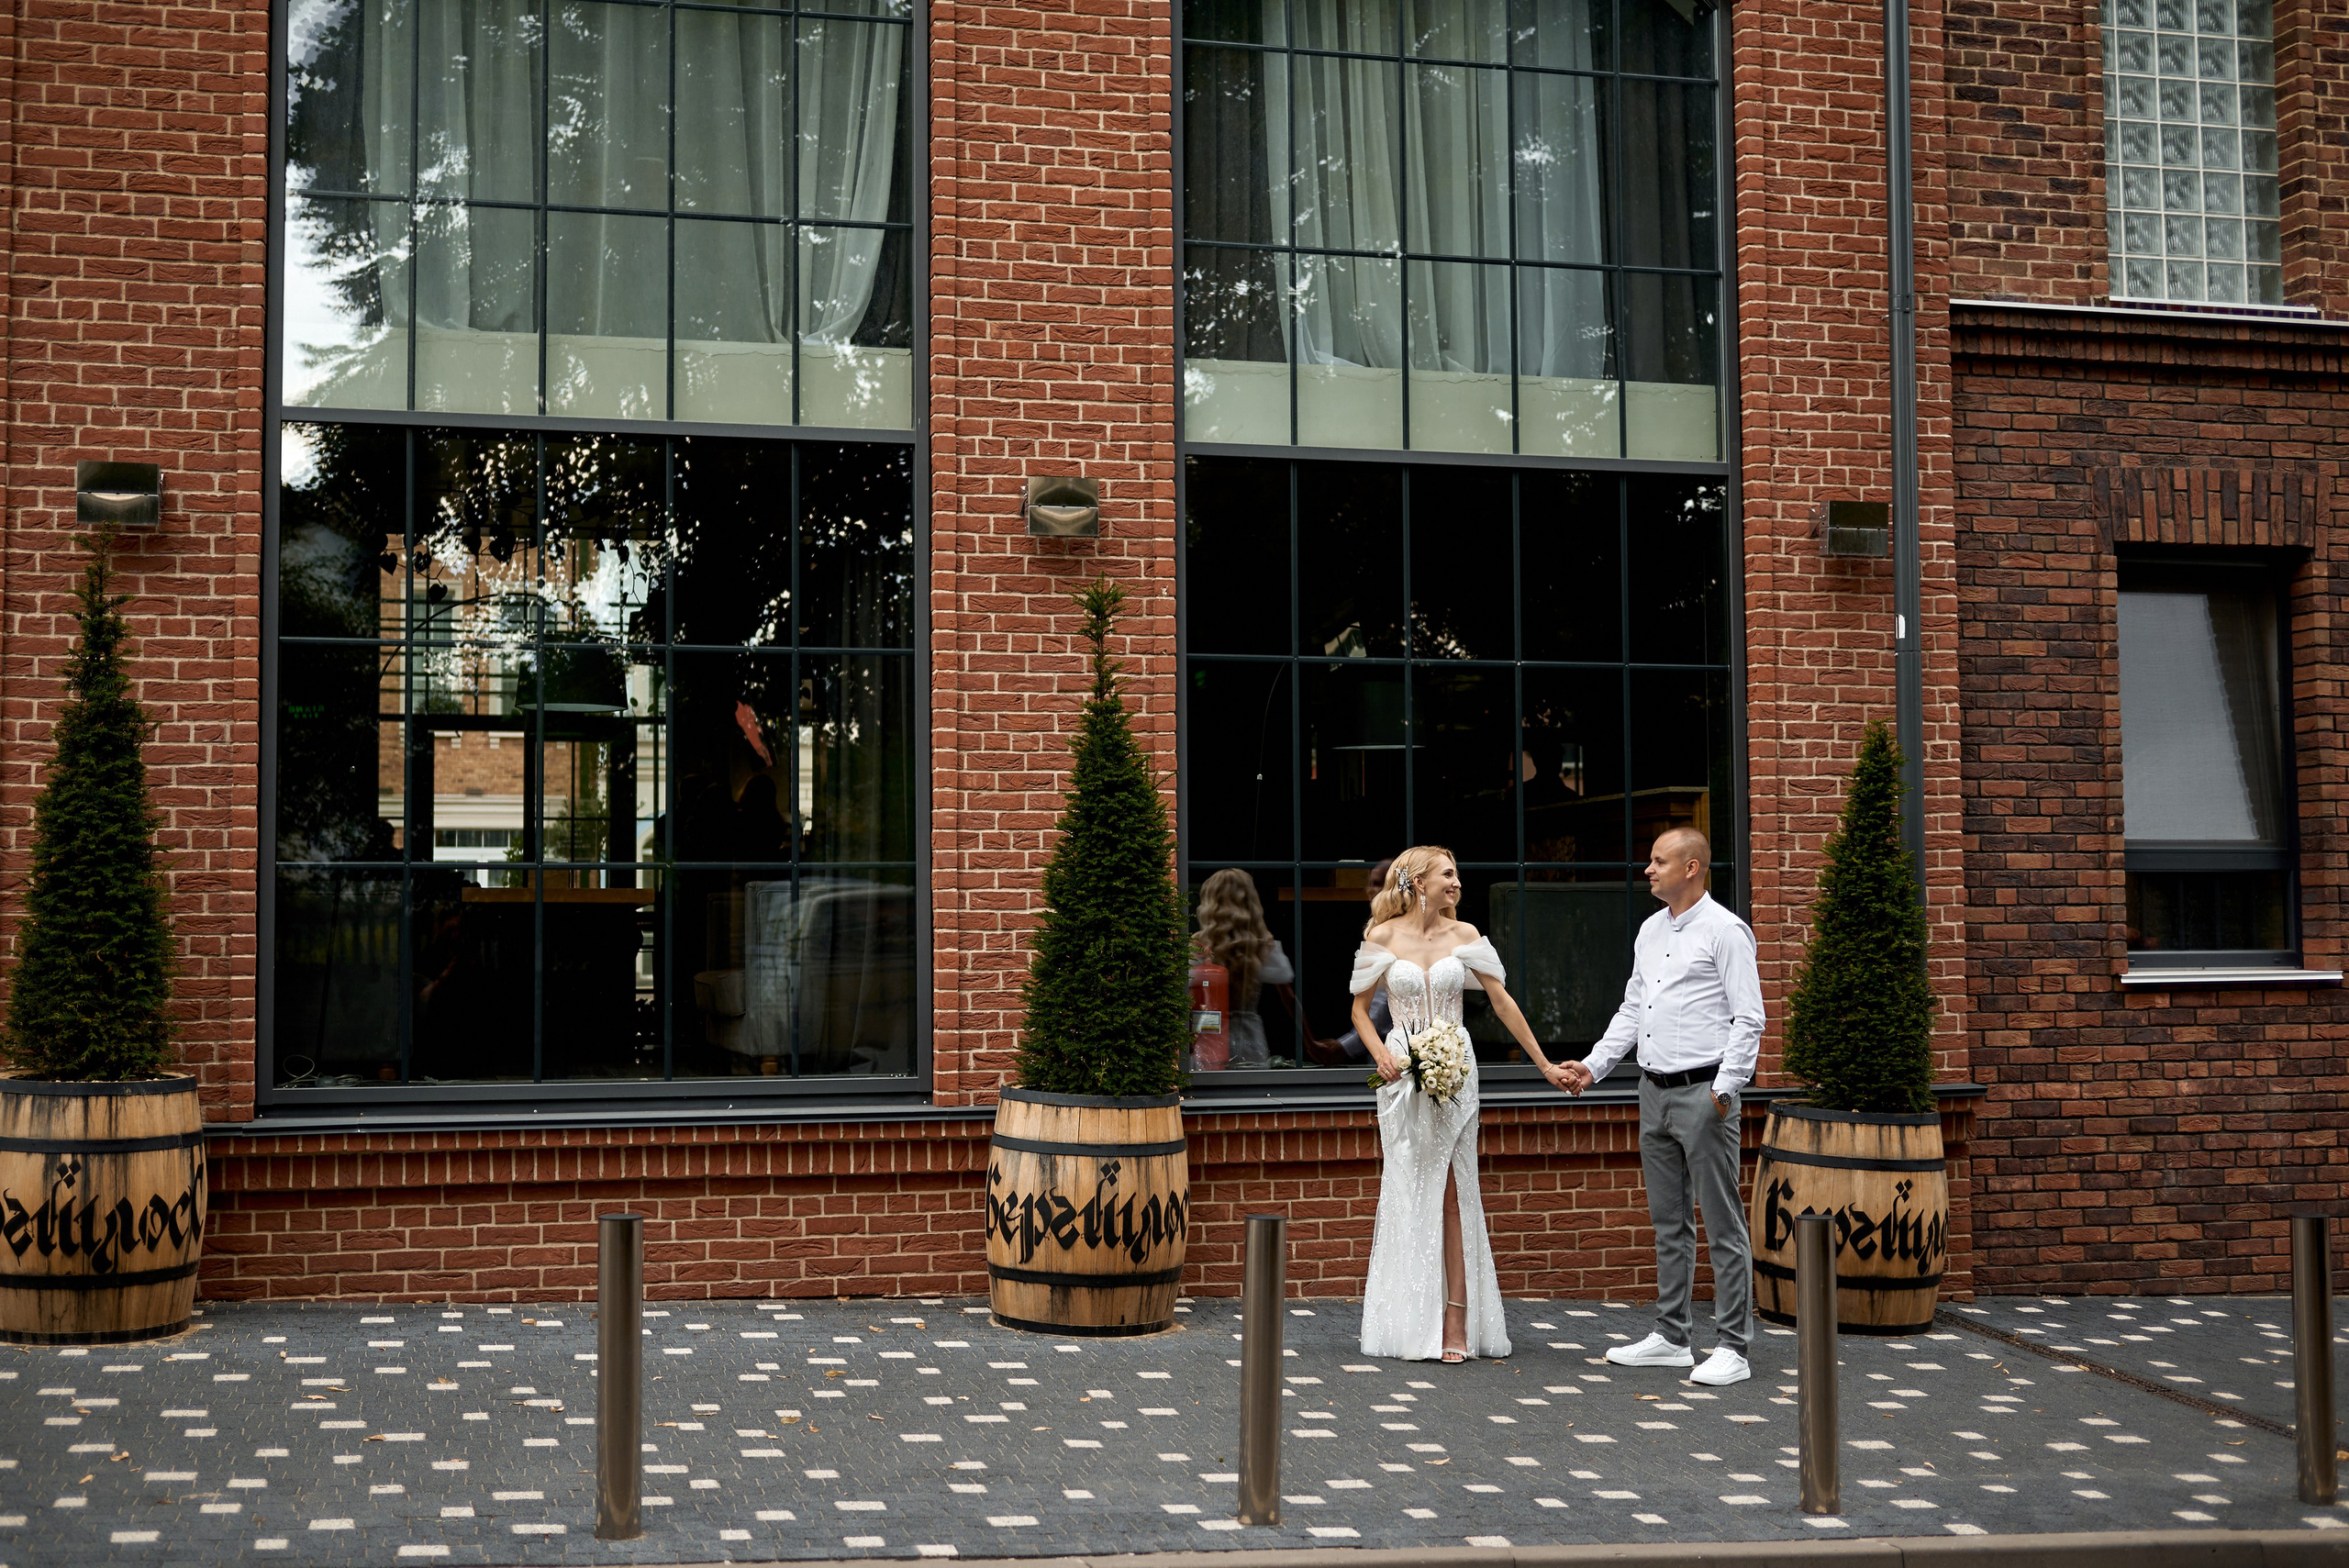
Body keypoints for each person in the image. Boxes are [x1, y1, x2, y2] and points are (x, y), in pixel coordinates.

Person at [1553, 826, 1764, 1387]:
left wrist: (1724, 1091)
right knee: (1669, 1222)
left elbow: (1750, 1018)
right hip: (1653, 1090)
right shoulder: (1649, 930)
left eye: (1658, 861)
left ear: (1691, 868)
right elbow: (1632, 1009)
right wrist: (1593, 1068)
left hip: (1703, 1094)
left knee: (1723, 1225)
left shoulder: (1726, 931)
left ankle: (1734, 1347)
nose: (1647, 869)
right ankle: (1672, 1338)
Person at [1353, 845, 1576, 1363]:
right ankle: (1407, 1317)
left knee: (1455, 1189)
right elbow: (1360, 1012)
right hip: (1403, 1075)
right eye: (1448, 874)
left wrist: (1543, 1065)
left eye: (1457, 874)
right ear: (1418, 881)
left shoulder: (1467, 936)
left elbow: (1502, 1001)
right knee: (1409, 1187)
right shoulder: (1381, 936)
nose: (1457, 883)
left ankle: (1457, 1315)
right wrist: (1383, 1054)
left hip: (1458, 1072)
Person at [1193, 870, 1316, 1069]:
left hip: (1209, 1032)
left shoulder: (1197, 946)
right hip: (1249, 1037)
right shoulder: (1263, 946)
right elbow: (1290, 997)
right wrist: (1311, 1045)